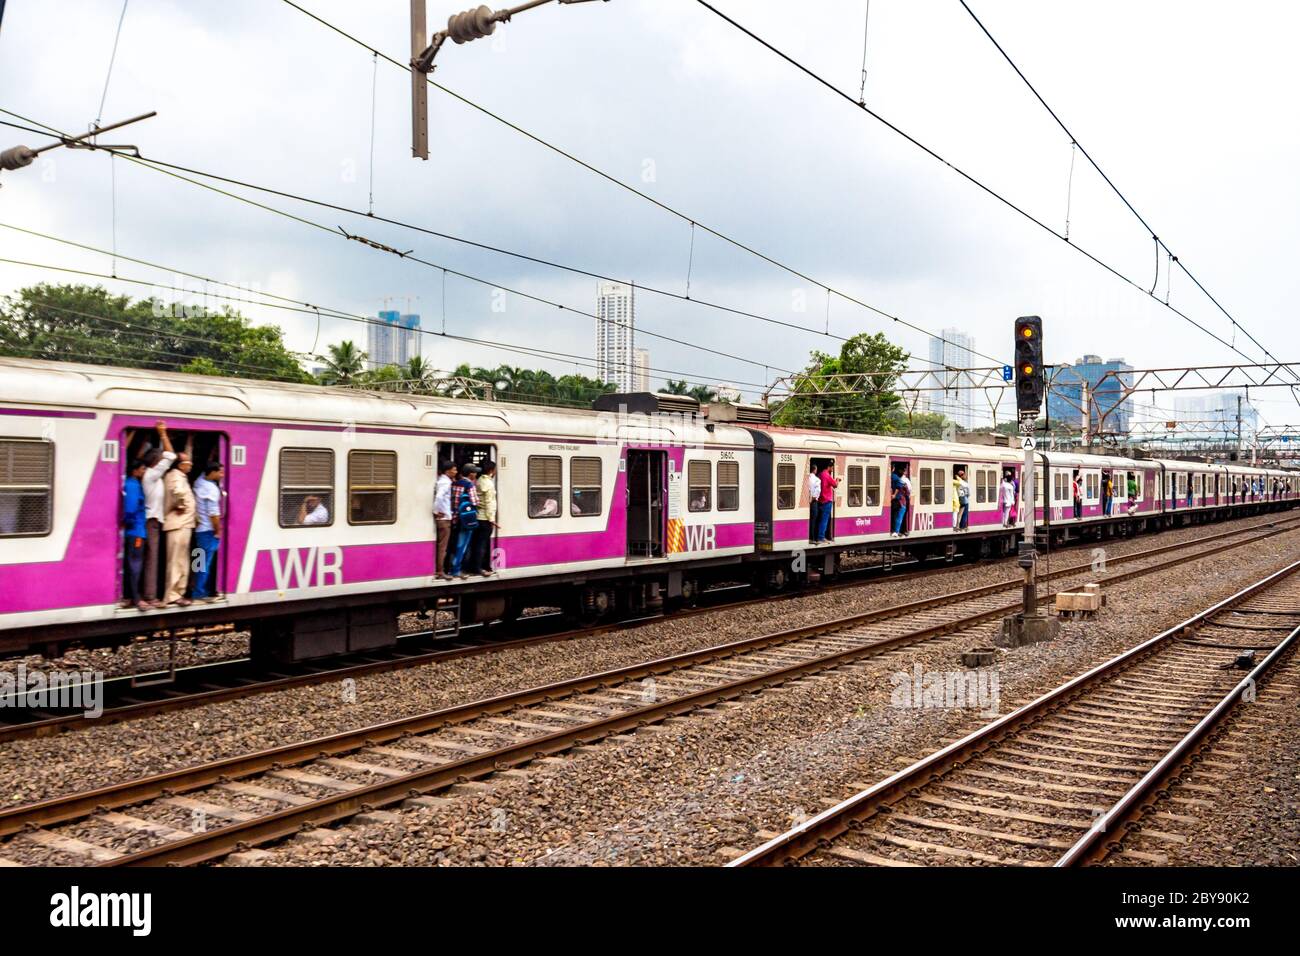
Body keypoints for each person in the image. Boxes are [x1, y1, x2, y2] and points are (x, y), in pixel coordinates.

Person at [140, 421, 177, 608]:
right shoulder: (152, 475)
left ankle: (149, 593)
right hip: (152, 521)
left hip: (154, 521)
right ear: (156, 462)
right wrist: (163, 434)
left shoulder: (150, 475)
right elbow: (171, 456)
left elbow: (168, 456)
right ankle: (150, 595)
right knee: (152, 560)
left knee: (151, 558)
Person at [162, 448, 196, 607]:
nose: (191, 464)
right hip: (178, 524)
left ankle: (180, 592)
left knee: (182, 561)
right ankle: (173, 595)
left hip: (184, 524)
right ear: (180, 465)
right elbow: (176, 492)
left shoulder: (180, 476)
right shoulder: (175, 476)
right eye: (188, 462)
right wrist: (180, 504)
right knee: (176, 561)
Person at [191, 462, 223, 601]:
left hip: (199, 530)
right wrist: (218, 531)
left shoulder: (199, 482)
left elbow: (203, 472)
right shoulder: (211, 489)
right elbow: (213, 514)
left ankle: (195, 588)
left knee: (198, 561)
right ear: (212, 472)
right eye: (220, 472)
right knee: (205, 563)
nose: (222, 475)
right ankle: (199, 592)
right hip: (208, 530)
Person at [121, 460, 148, 610]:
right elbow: (130, 509)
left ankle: (131, 596)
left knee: (133, 564)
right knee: (135, 565)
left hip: (136, 530)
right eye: (143, 469)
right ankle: (136, 599)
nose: (144, 471)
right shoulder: (133, 486)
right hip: (136, 532)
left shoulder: (133, 484)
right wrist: (130, 523)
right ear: (135, 470)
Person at [449, 462, 480, 578]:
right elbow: (475, 501)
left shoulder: (455, 483)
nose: (476, 474)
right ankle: (456, 570)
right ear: (470, 474)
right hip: (466, 520)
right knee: (462, 545)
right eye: (475, 472)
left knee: (455, 544)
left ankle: (453, 567)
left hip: (455, 517)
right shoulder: (469, 485)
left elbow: (452, 500)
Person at [472, 459, 498, 577]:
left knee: (478, 543)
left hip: (478, 516)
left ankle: (478, 566)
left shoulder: (479, 481)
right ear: (491, 470)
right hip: (485, 519)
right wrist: (491, 519)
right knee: (483, 544)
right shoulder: (488, 483)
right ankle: (479, 568)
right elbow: (489, 502)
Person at [433, 461, 457, 579]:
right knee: (443, 547)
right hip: (444, 519)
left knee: (442, 546)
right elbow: (439, 497)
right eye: (454, 470)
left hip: (444, 517)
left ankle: (440, 570)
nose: (456, 472)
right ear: (448, 471)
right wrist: (436, 511)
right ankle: (440, 571)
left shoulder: (443, 480)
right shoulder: (445, 482)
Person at [816, 461, 838, 543]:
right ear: (829, 467)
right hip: (827, 501)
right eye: (832, 468)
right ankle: (821, 537)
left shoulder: (820, 474)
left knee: (821, 519)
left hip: (820, 500)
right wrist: (838, 480)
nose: (832, 469)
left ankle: (821, 535)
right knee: (824, 520)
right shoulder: (827, 475)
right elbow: (835, 485)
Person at [891, 463, 911, 536]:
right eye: (903, 470)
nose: (904, 472)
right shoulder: (896, 477)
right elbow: (902, 486)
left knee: (896, 515)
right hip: (900, 500)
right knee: (899, 515)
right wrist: (895, 495)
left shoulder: (892, 476)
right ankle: (896, 531)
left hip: (896, 500)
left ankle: (897, 530)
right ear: (899, 470)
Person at [806, 463, 821, 543]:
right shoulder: (817, 480)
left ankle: (808, 537)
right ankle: (813, 538)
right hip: (814, 502)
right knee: (814, 520)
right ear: (815, 470)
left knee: (809, 520)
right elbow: (817, 491)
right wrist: (812, 499)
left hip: (806, 501)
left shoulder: (807, 478)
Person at [954, 466, 970, 531]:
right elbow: (968, 493)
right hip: (965, 500)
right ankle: (962, 526)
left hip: (959, 499)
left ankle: (959, 525)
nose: (965, 476)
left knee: (959, 513)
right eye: (964, 474)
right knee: (964, 514)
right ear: (961, 476)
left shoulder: (957, 482)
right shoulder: (964, 483)